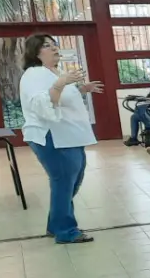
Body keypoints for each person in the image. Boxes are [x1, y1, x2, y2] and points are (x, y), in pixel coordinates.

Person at [18, 33, 101, 244]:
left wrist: (81, 88)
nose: (54, 48)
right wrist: (61, 83)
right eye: (47, 46)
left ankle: (56, 224)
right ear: (36, 52)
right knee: (63, 181)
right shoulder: (34, 73)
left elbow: (61, 96)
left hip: (69, 135)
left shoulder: (54, 71)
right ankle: (65, 231)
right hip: (51, 136)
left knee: (73, 179)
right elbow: (41, 103)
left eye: (55, 44)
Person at [124, 68, 150, 146]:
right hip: (149, 106)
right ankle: (133, 138)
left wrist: (149, 100)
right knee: (134, 117)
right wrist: (141, 98)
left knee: (140, 109)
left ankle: (148, 129)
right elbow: (149, 97)